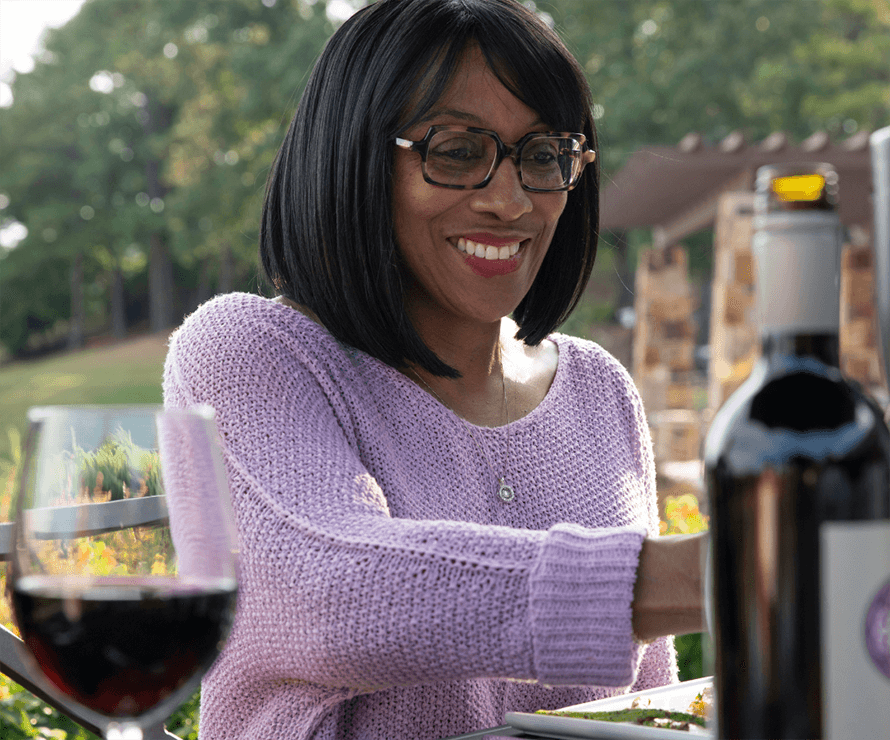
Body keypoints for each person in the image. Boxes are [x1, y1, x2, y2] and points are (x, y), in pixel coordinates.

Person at [163, 1, 706, 738]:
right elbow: (340, 594)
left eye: (544, 154)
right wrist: (733, 567)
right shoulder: (250, 352)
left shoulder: (599, 390)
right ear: (353, 157)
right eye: (455, 151)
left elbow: (648, 709)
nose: (510, 200)